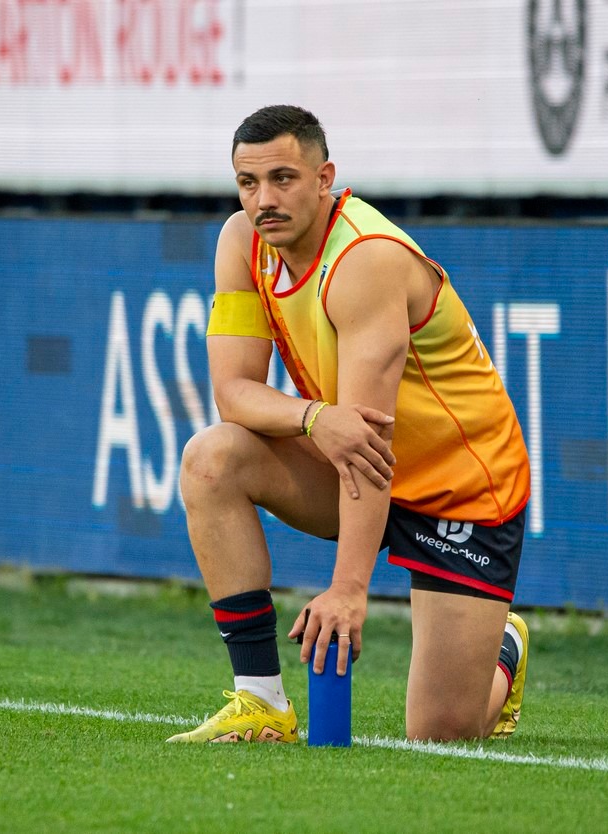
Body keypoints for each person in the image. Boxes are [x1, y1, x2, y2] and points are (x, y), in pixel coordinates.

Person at [167, 105, 532, 744]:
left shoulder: (365, 260)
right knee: (212, 458)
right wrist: (313, 418)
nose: (264, 200)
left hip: (463, 486)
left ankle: (504, 650)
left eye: (283, 178)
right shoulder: (240, 242)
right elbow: (233, 394)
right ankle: (261, 704)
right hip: (353, 456)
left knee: (443, 734)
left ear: (324, 177)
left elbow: (369, 442)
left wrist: (347, 591)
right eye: (248, 183)